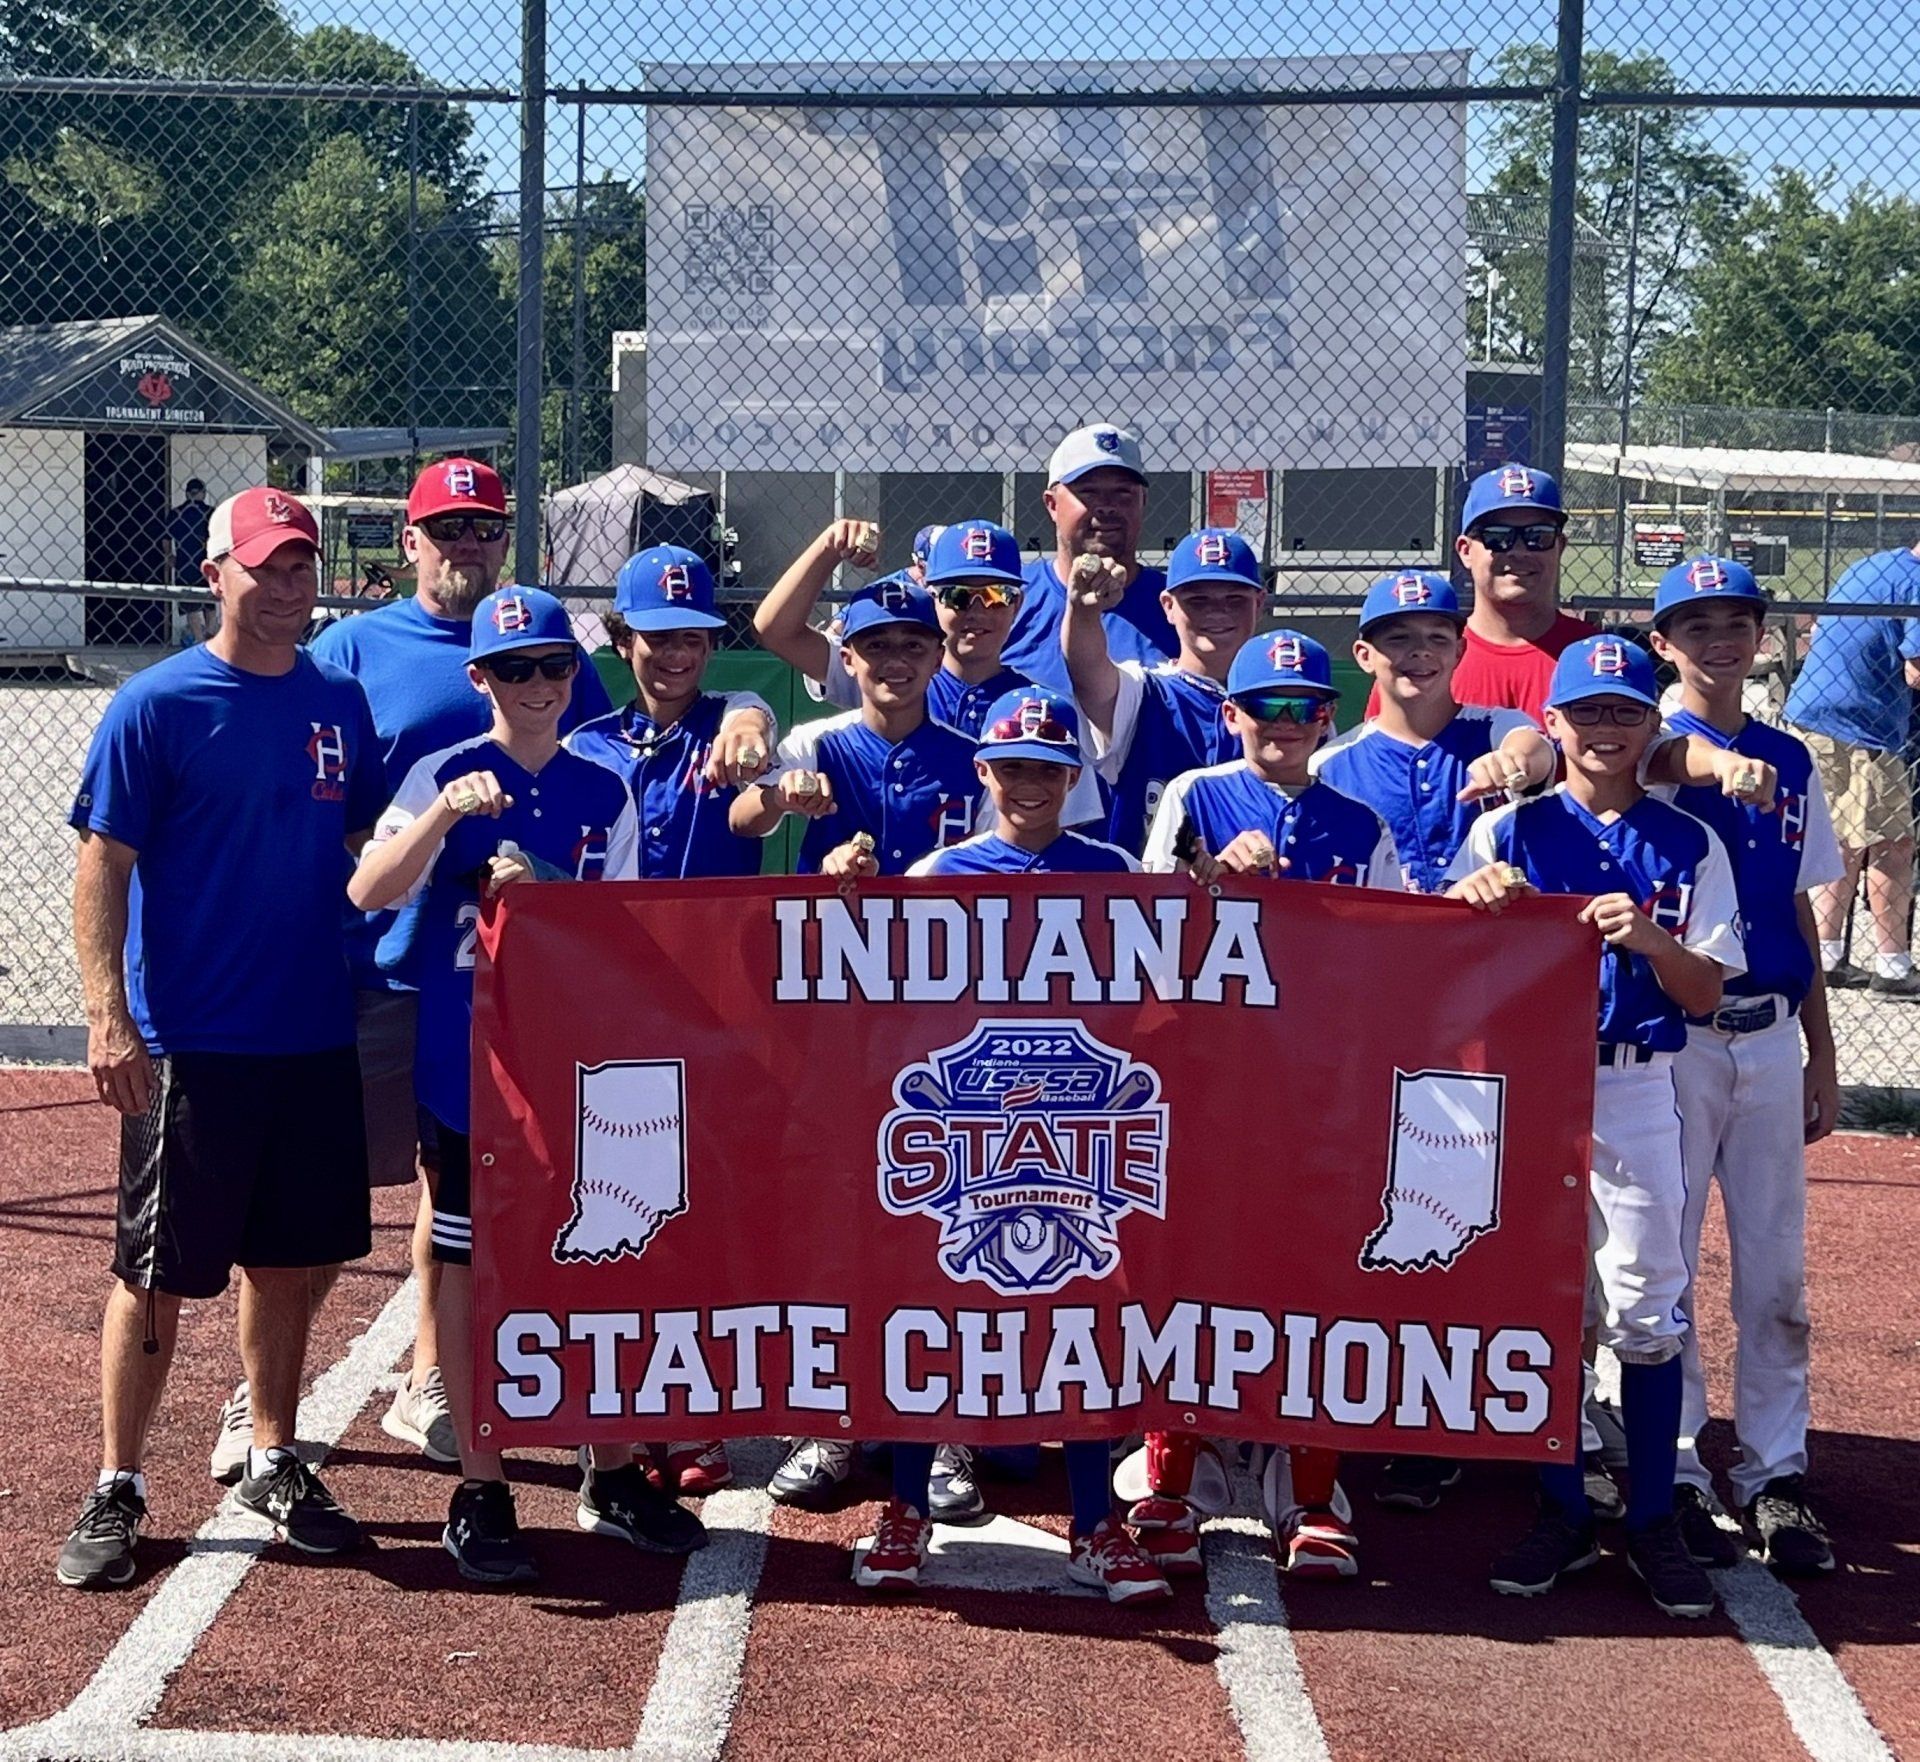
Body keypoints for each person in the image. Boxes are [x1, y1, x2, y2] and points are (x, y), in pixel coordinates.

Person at [59, 487, 383, 1588]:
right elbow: (103, 864)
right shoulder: (154, 705)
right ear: (215, 575)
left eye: (301, 567)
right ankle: (118, 1480)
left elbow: (367, 846)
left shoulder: (339, 700)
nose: (288, 587)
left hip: (313, 1029)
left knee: (290, 1263)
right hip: (194, 1040)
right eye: (265, 566)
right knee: (154, 1275)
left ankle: (273, 1455)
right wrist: (108, 1013)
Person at [349, 585, 705, 1583]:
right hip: (467, 1054)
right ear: (481, 678)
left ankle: (609, 1467)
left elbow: (631, 935)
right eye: (514, 669)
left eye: (552, 665)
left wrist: (549, 890)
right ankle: (482, 1481)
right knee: (467, 1259)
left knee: (601, 1250)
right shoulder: (444, 770)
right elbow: (367, 888)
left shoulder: (605, 784)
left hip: (576, 1056)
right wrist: (442, 819)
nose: (537, 684)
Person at [286, 459, 612, 1487]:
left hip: (500, 985)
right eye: (448, 526)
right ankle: (269, 1389)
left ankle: (432, 1376)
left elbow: (607, 767)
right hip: (381, 959)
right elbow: (325, 802)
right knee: (332, 1188)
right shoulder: (351, 647)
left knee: (456, 1182)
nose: (467, 542)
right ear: (410, 539)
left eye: (484, 526)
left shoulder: (554, 653)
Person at [1447, 635, 1745, 1620]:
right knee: (1545, 1300)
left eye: (1625, 711)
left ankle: (1653, 1516)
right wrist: (1468, 900)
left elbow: (1704, 994)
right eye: (1588, 711)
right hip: (1531, 1086)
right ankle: (1563, 1506)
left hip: (1636, 1084)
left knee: (1649, 1309)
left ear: (1651, 724)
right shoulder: (1506, 832)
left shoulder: (1689, 842)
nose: (1606, 728)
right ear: (1555, 723)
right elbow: (1442, 969)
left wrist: (1654, 939)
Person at [866, 688, 1168, 1604]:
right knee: (933, 1303)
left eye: (1049, 768)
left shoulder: (1116, 871)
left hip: (1077, 1130)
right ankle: (905, 1506)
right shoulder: (938, 874)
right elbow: (885, 1007)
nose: (1030, 783)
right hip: (968, 1127)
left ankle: (1093, 1523)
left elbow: (1163, 1002)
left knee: (1084, 1311)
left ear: (1074, 778)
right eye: (1013, 768)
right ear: (983, 772)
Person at [1134, 631, 1395, 1581]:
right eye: (1264, 707)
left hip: (1319, 1079)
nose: (1284, 724)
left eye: (1305, 707)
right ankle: (1174, 1474)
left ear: (1329, 716)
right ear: (1230, 713)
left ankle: (1310, 1481)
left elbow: (1400, 949)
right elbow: (1141, 928)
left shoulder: (1361, 821)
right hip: (1207, 1074)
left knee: (1315, 1273)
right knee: (1189, 1264)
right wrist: (1206, 876)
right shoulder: (1195, 796)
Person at [564, 544, 774, 1495]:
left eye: (693, 637)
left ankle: (693, 1410)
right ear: (623, 641)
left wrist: (753, 725)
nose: (676, 654)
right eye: (656, 638)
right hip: (609, 1012)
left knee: (706, 1209)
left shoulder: (733, 727)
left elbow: (756, 765)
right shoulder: (587, 745)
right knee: (615, 1208)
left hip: (715, 1006)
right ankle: (621, 1408)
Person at [1648, 556, 1843, 1576]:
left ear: (1761, 636)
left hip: (1769, 1034)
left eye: (1736, 622)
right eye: (1696, 625)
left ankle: (1775, 1471)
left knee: (1776, 1274)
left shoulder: (1791, 757)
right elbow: (1669, 758)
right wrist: (1717, 765)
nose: (1719, 640)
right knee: (1667, 1266)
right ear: (1663, 643)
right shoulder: (1642, 742)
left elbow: (1800, 903)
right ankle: (1676, 1467)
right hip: (1677, 1041)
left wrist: (1822, 1047)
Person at [1315, 571, 1557, 895]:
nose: (1421, 650)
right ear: (1365, 655)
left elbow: (1533, 748)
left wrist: (1513, 761)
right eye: (1399, 638)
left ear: (1459, 651)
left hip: (1494, 922)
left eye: (1438, 638)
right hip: (1385, 923)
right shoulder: (1331, 764)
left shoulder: (1495, 728)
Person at [730, 580, 982, 883]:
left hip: (940, 914)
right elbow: (741, 819)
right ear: (848, 660)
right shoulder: (818, 742)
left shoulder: (974, 758)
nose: (896, 661)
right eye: (876, 646)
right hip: (833, 910)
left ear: (938, 660)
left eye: (913, 646)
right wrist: (779, 798)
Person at [1065, 528, 1263, 854]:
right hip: (1151, 884)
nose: (1217, 611)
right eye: (1197, 600)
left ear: (1259, 603)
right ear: (1168, 606)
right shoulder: (1144, 690)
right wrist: (1084, 613)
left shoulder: (1286, 703)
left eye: (1235, 599)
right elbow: (1087, 673)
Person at [1782, 536, 1920, 999]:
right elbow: (1917, 670)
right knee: (1891, 843)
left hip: (1817, 714)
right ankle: (1893, 968)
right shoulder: (1917, 581)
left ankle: (1827, 955)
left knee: (1841, 841)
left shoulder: (1873, 565)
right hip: (1862, 725)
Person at [754, 519, 1036, 735]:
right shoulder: (896, 675)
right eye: (957, 595)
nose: (977, 611)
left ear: (1017, 604)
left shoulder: (1032, 703)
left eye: (997, 595)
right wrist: (828, 548)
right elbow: (776, 632)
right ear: (932, 598)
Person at [1367, 466, 1592, 725]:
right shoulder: (1421, 664)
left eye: (1538, 536)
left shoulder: (1593, 656)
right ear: (1465, 551)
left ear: (1559, 546)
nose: (1519, 551)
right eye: (1497, 537)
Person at [999, 424, 1178, 693]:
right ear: (1052, 504)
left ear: (1143, 501)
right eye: (1088, 492)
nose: (1107, 506)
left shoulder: (1178, 604)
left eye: (1123, 493)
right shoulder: (1009, 599)